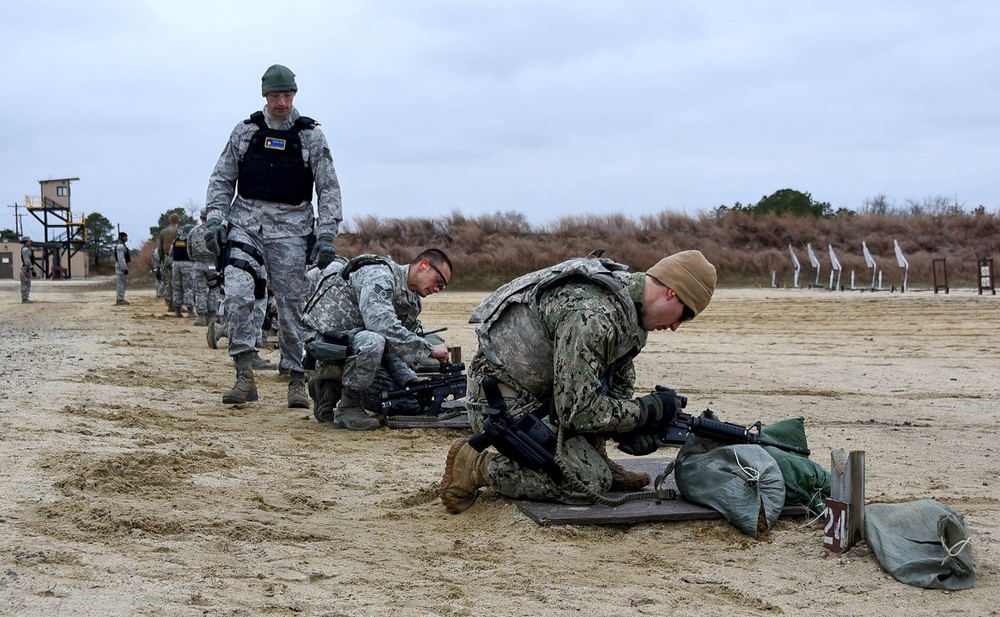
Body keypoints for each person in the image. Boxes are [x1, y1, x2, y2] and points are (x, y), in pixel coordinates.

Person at [439, 250, 717, 514]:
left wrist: (633, 429)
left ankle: (597, 460)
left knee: (597, 463)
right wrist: (645, 411)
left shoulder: (628, 312)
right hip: (501, 403)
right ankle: (478, 466)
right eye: (686, 314)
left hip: (543, 398)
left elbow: (612, 390)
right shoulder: (595, 314)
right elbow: (577, 410)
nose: (676, 326)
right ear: (672, 292)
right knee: (585, 483)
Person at [203, 64, 343, 408]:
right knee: (237, 294)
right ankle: (243, 374)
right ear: (265, 95)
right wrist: (215, 220)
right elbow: (222, 178)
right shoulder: (245, 131)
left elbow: (328, 189)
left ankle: (296, 377)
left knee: (292, 305)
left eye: (288, 95)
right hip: (246, 224)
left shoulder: (311, 136)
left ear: (294, 95)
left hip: (292, 230)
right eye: (276, 95)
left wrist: (326, 234)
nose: (282, 102)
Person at [304, 249, 452, 430]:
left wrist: (411, 382)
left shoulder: (411, 300)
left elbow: (395, 346)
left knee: (408, 403)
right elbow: (380, 323)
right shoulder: (380, 274)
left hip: (359, 353)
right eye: (438, 281)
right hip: (329, 345)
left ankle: (328, 390)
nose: (437, 289)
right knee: (373, 340)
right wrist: (428, 350)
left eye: (442, 287)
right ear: (424, 265)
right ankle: (347, 406)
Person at [171, 225, 196, 318]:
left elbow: (171, 253)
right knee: (188, 288)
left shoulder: (176, 240)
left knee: (177, 287)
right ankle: (190, 311)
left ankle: (177, 310)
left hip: (175, 265)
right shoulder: (190, 240)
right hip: (187, 265)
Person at [158, 213, 181, 310]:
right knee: (178, 282)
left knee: (168, 281)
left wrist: (163, 259)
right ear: (178, 220)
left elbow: (160, 248)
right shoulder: (179, 231)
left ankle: (169, 303)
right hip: (177, 258)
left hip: (167, 258)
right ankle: (177, 304)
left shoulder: (164, 232)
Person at [114, 232, 131, 305]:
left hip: (121, 265)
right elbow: (121, 258)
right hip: (121, 266)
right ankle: (120, 299)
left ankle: (121, 298)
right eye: (125, 237)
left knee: (122, 283)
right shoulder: (120, 246)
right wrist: (124, 268)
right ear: (122, 237)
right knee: (121, 283)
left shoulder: (122, 246)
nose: (127, 238)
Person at [20, 236, 36, 303]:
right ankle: (24, 298)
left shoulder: (28, 249)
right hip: (26, 268)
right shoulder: (25, 250)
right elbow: (27, 260)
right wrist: (31, 269)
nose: (30, 242)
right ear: (26, 242)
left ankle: (26, 298)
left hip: (27, 268)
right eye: (29, 241)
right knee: (25, 283)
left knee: (28, 283)